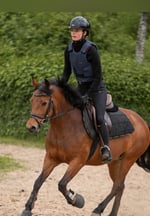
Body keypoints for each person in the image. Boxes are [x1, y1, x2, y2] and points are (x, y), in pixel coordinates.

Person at [61, 16, 112, 163]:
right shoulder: (69, 49)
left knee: (100, 118)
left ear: (85, 33)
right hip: (81, 87)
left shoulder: (91, 49)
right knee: (68, 111)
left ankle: (106, 148)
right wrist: (59, 86)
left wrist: (88, 95)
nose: (73, 33)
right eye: (72, 30)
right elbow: (66, 73)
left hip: (97, 89)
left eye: (77, 30)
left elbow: (98, 76)